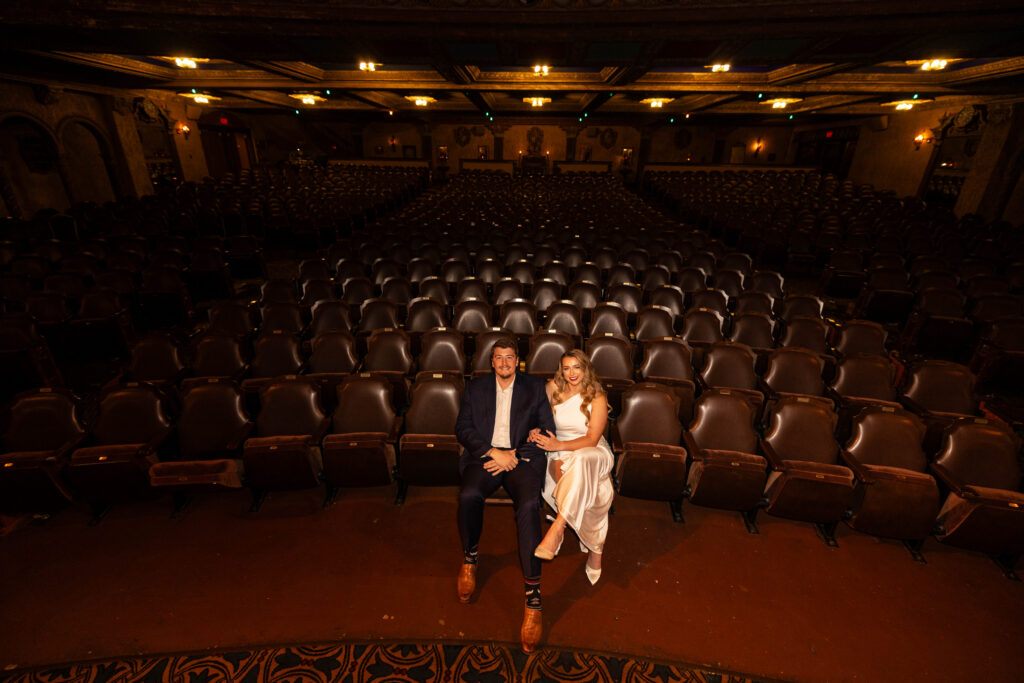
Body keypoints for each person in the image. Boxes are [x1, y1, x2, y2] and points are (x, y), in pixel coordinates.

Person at [454, 336, 557, 654]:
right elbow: (463, 428)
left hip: (521, 459)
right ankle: (470, 557)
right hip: (486, 458)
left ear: (518, 361)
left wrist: (513, 453)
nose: (504, 362)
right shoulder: (476, 388)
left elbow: (547, 428)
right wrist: (491, 452)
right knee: (468, 496)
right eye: (498, 357)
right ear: (492, 361)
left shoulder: (534, 388)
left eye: (509, 357)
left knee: (528, 505)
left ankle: (533, 598)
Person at [528, 350, 614, 585]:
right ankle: (596, 550)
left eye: (576, 367)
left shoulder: (597, 396)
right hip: (558, 450)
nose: (571, 373)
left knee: (583, 460)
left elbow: (592, 439)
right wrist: (535, 429)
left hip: (592, 452)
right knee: (594, 492)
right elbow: (537, 417)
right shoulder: (551, 388)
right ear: (561, 370)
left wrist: (559, 444)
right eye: (566, 368)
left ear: (585, 368)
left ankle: (558, 527)